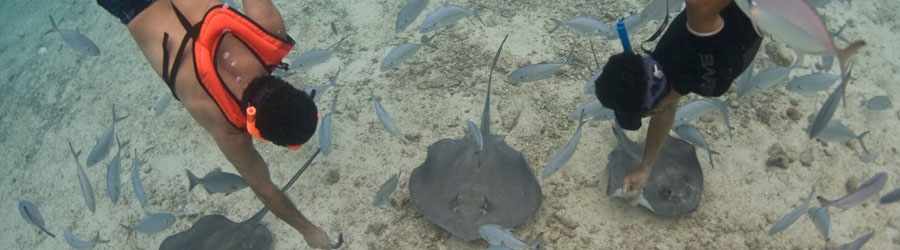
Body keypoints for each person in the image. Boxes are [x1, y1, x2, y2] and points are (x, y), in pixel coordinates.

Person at [96, 0, 338, 248]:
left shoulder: (269, 31)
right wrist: (309, 231)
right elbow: (264, 189)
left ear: (291, 87)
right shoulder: (224, 126)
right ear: (257, 130)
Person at [594, 0, 762, 197]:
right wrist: (646, 167)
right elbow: (665, 109)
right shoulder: (664, 67)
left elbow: (698, 8)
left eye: (645, 114)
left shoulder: (702, 58)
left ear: (654, 109)